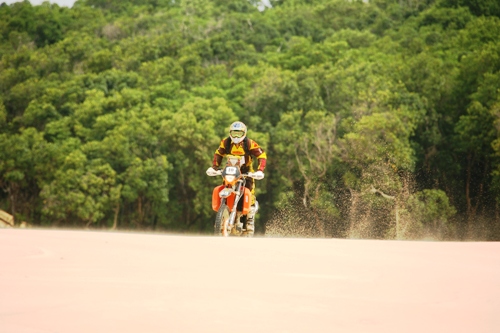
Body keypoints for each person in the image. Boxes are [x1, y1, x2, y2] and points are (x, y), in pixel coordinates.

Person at [206, 121, 267, 236]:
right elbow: (218, 154)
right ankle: (223, 212)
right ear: (230, 133)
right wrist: (214, 167)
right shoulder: (226, 143)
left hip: (246, 172)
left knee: (250, 192)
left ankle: (250, 220)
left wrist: (260, 170)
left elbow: (261, 155)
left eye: (239, 134)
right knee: (224, 186)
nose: (236, 137)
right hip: (230, 171)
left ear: (244, 133)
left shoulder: (250, 143)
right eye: (234, 133)